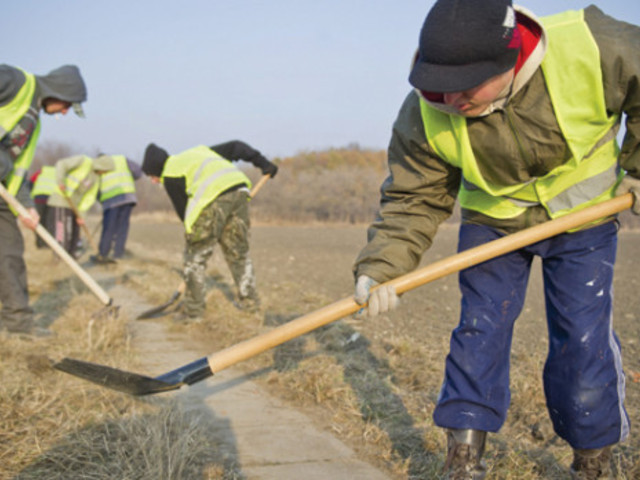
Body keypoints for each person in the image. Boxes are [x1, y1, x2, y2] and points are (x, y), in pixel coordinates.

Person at [352, 1, 639, 478]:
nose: (453, 101)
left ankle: (593, 461)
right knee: (478, 332)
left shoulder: (593, 45)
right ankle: (463, 458)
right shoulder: (426, 110)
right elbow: (412, 197)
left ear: (508, 61)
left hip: (585, 215)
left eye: (467, 87)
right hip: (493, 222)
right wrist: (381, 268)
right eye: (440, 88)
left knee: (583, 339)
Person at [141, 141, 278, 322]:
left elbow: (186, 215)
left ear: (157, 169)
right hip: (238, 191)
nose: (153, 180)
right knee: (238, 254)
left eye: (151, 176)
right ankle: (251, 305)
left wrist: (197, 241)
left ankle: (194, 312)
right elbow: (236, 146)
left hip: (213, 200)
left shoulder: (171, 175)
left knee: (195, 259)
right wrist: (263, 163)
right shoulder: (200, 152)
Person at [0, 64, 86, 336]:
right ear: (59, 90)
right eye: (67, 105)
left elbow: (18, 169)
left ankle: (19, 325)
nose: (64, 112)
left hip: (4, 190)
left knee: (9, 254)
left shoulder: (33, 123)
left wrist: (26, 205)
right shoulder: (13, 82)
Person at [46, 154, 115, 258]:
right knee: (63, 234)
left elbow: (89, 198)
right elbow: (62, 164)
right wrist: (60, 181)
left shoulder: (96, 179)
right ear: (101, 166)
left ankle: (71, 259)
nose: (105, 173)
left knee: (74, 235)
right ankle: (59, 260)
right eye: (106, 170)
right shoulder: (83, 161)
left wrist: (81, 216)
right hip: (61, 200)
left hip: (74, 207)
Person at [95, 154, 142, 264]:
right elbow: (138, 172)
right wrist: (129, 178)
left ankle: (103, 254)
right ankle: (118, 254)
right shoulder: (121, 159)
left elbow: (95, 188)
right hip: (127, 197)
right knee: (122, 227)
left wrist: (100, 199)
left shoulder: (97, 167)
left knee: (108, 228)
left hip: (110, 201)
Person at [29, 165, 57, 249]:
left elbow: (30, 182)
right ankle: (49, 244)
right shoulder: (59, 173)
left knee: (38, 221)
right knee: (51, 223)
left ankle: (40, 244)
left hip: (39, 198)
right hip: (52, 199)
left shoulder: (41, 171)